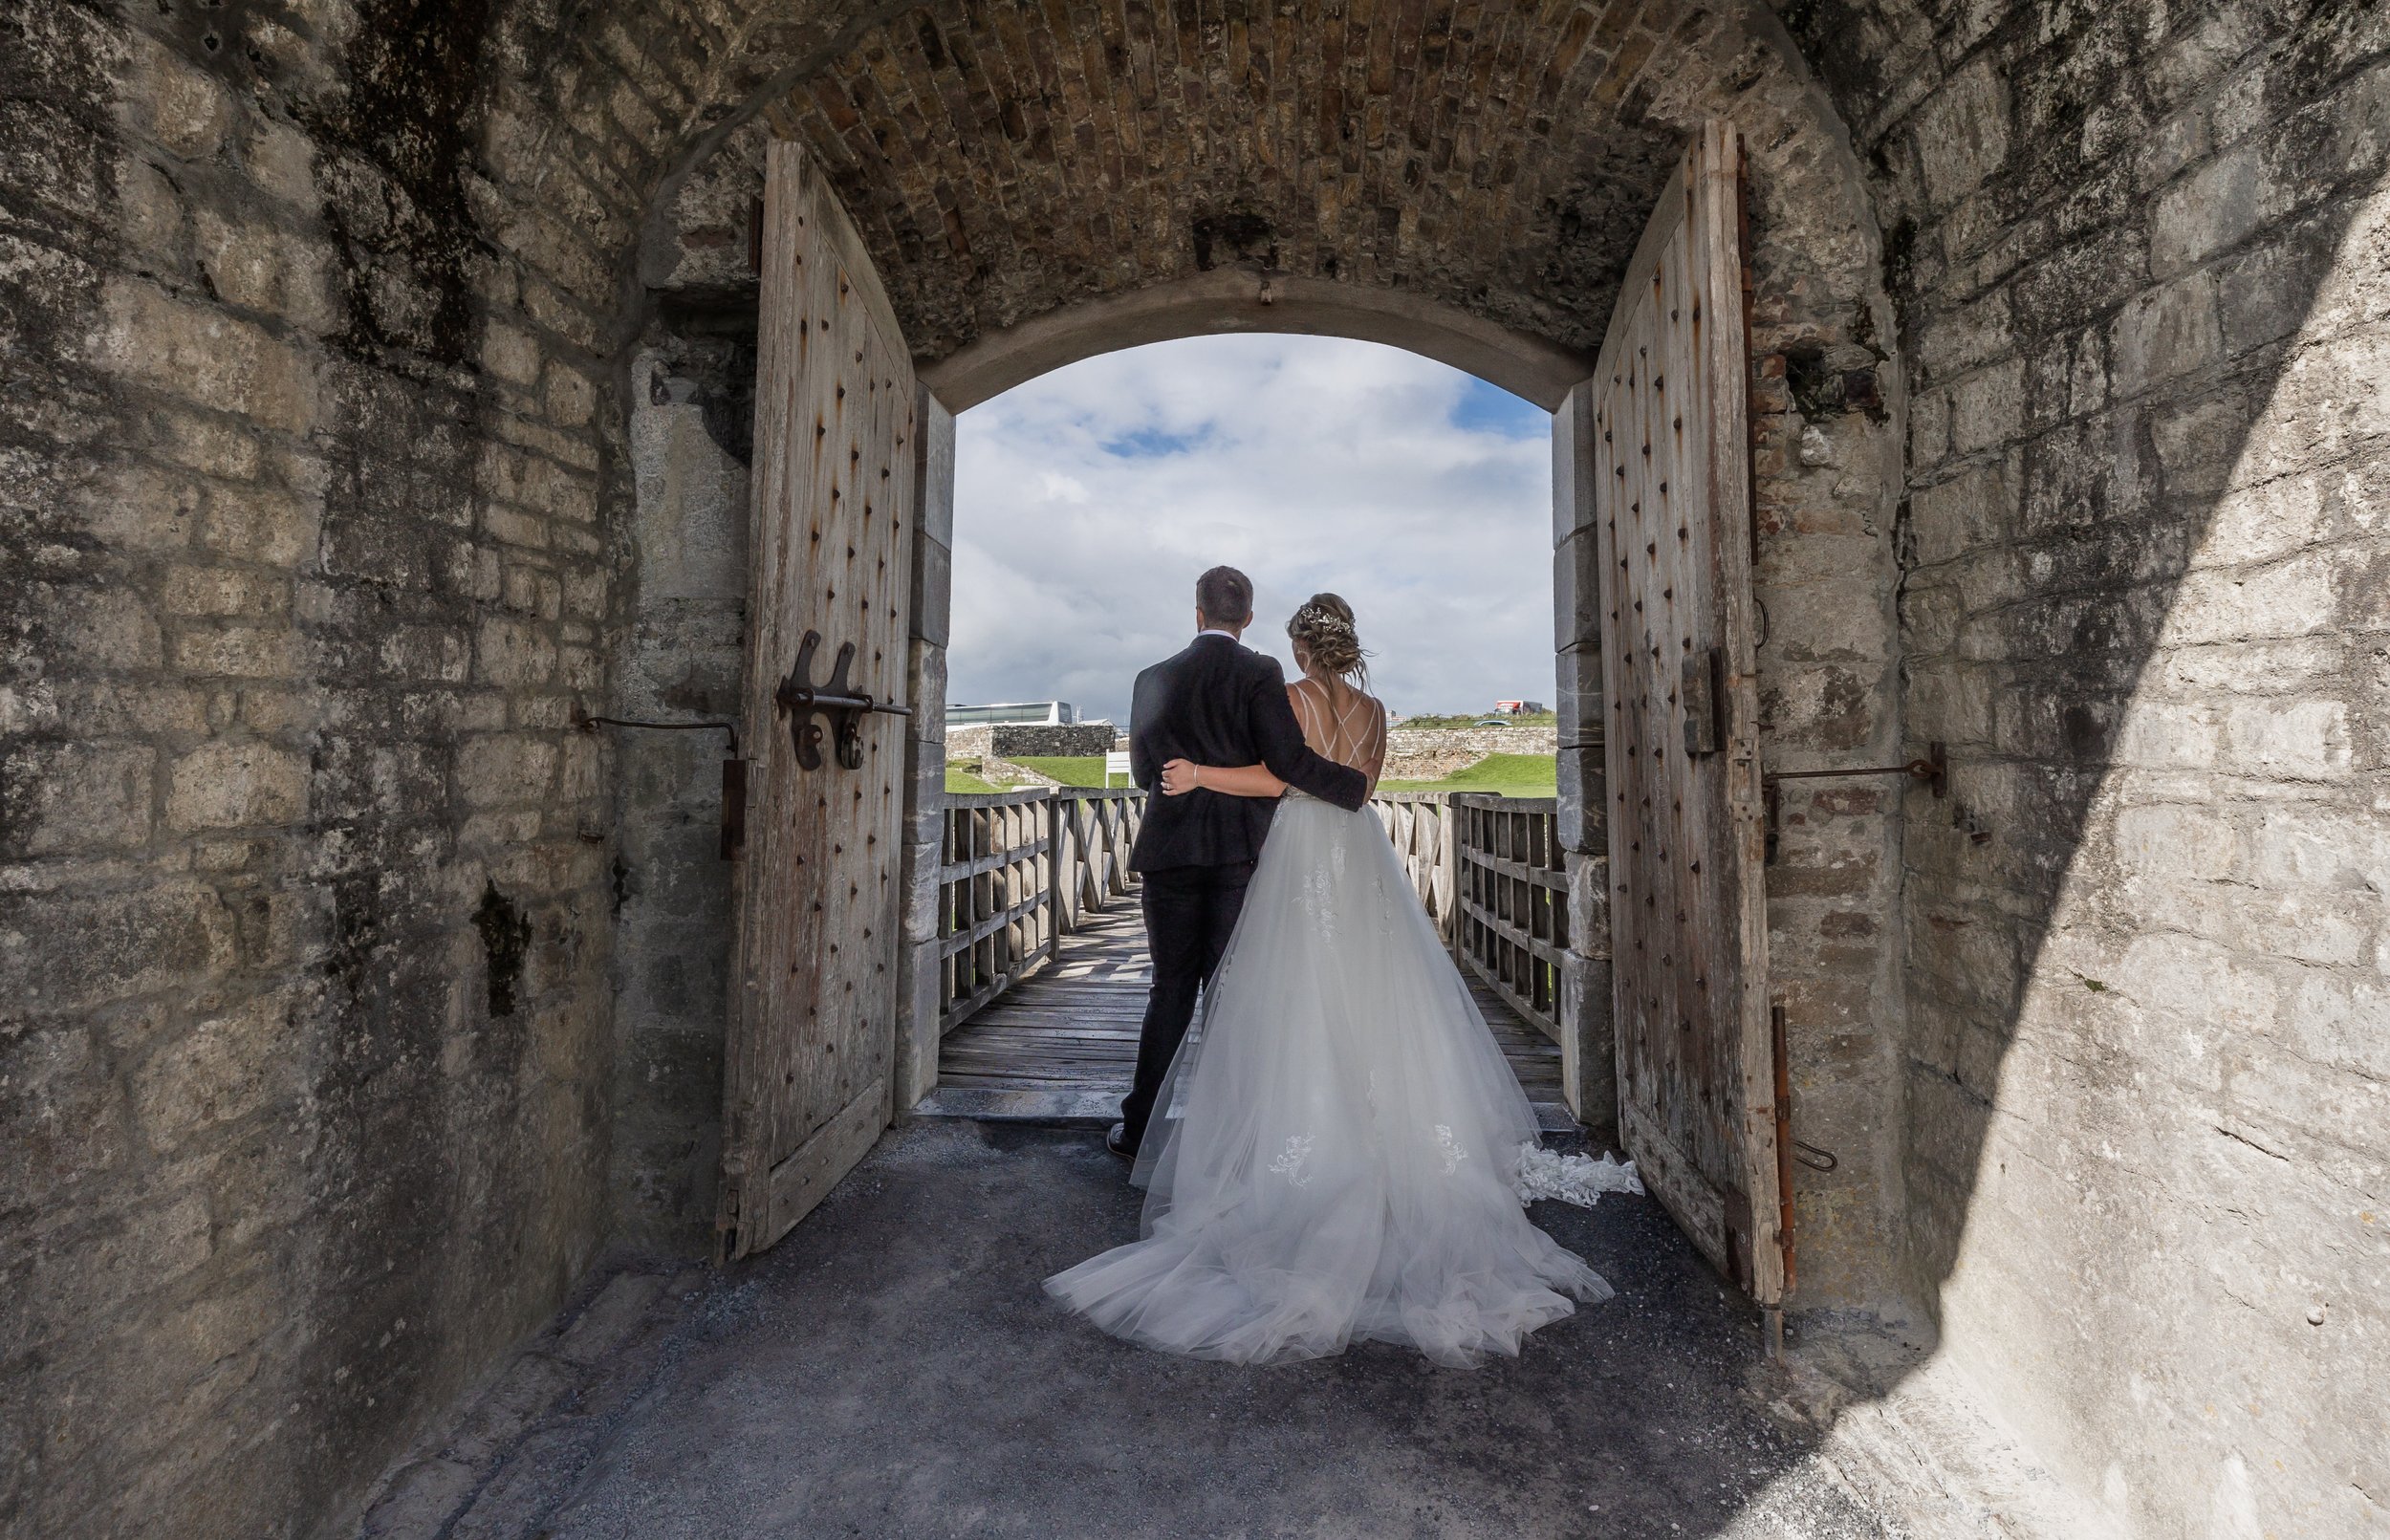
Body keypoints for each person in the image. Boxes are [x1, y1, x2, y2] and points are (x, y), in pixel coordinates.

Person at [1048, 595, 1611, 1366]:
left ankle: (1307, 1143)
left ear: (1302, 648)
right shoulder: (1375, 713)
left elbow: (1278, 778)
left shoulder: (1291, 697)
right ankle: (1387, 1141)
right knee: (1374, 990)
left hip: (1304, 850)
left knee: (1297, 997)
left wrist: (1201, 772)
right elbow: (1361, 788)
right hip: (1360, 849)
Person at [1108, 567, 1372, 1163]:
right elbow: (1287, 762)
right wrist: (1352, 788)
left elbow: (1145, 773)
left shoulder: (1152, 677)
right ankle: (1229, 1133)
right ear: (1248, 618)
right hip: (1237, 854)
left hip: (1169, 854)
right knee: (1229, 991)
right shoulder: (1261, 672)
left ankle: (1138, 1129)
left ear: (1197, 612)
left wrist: (1189, 771)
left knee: (1170, 988)